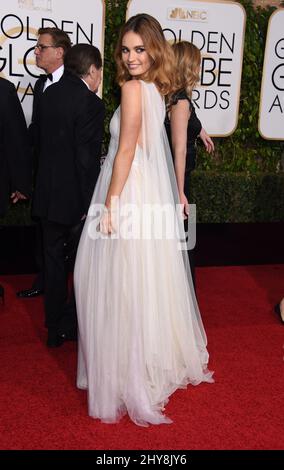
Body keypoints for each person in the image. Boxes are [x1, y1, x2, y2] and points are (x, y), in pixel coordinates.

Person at [74, 14, 213, 426]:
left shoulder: (135, 89)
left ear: (154, 50)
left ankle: (123, 374)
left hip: (125, 194)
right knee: (138, 282)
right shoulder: (156, 89)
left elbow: (127, 152)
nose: (132, 57)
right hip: (144, 194)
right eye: (126, 49)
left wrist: (112, 202)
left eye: (140, 49)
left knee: (107, 281)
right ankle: (139, 365)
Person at [32, 44, 105, 347]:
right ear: (91, 70)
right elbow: (86, 159)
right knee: (81, 265)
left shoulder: (48, 95)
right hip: (75, 200)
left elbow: (37, 143)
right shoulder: (91, 103)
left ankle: (52, 327)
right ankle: (70, 324)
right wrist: (90, 202)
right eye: (100, 71)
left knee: (53, 263)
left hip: (47, 196)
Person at [17, 27, 72, 299]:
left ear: (59, 52)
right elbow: (36, 129)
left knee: (60, 239)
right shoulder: (40, 84)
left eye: (42, 47)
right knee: (41, 230)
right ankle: (43, 281)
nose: (36, 51)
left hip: (65, 180)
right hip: (42, 173)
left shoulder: (74, 86)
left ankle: (59, 290)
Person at [165, 41, 214, 288]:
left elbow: (189, 119)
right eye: (197, 63)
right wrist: (180, 192)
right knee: (184, 241)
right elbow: (180, 149)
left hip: (173, 178)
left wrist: (201, 130)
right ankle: (184, 296)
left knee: (178, 240)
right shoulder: (181, 101)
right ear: (189, 66)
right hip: (180, 179)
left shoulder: (171, 95)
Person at [0, 77, 32, 303]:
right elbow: (16, 138)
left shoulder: (4, 90)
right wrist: (20, 183)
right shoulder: (4, 89)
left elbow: (16, 139)